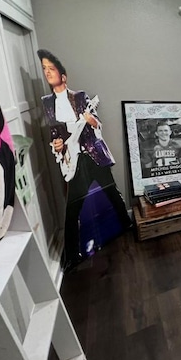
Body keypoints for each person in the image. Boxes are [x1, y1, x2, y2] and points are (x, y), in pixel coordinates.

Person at [38, 49, 131, 272]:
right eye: (45, 69)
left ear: (63, 75)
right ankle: (72, 255)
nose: (48, 73)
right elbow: (54, 134)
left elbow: (97, 123)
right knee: (73, 208)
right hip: (74, 161)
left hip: (94, 155)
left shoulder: (80, 97)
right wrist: (58, 145)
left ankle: (125, 224)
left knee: (111, 192)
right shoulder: (47, 103)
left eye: (52, 68)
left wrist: (91, 120)